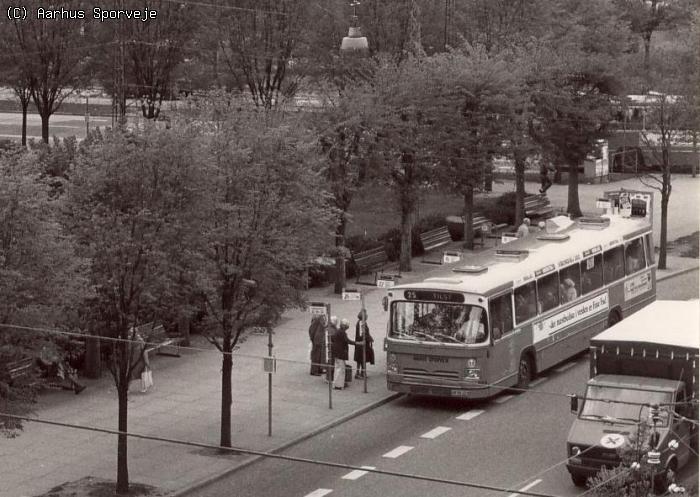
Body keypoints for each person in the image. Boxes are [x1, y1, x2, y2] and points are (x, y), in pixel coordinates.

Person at [331, 318, 355, 390]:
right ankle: (339, 385)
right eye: (347, 327)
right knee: (341, 369)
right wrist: (357, 343)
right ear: (344, 326)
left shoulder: (338, 331)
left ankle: (335, 384)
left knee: (337, 368)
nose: (347, 328)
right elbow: (347, 341)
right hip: (340, 353)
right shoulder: (342, 332)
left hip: (336, 353)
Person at [353, 310, 374, 379]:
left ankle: (361, 372)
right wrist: (368, 338)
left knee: (361, 359)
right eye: (366, 314)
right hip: (361, 344)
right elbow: (361, 335)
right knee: (361, 359)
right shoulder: (361, 323)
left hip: (361, 344)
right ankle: (360, 373)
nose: (367, 316)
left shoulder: (362, 323)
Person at [324, 316, 340, 383]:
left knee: (330, 362)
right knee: (331, 362)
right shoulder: (332, 329)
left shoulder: (328, 328)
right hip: (331, 348)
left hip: (329, 348)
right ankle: (329, 378)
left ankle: (328, 377)